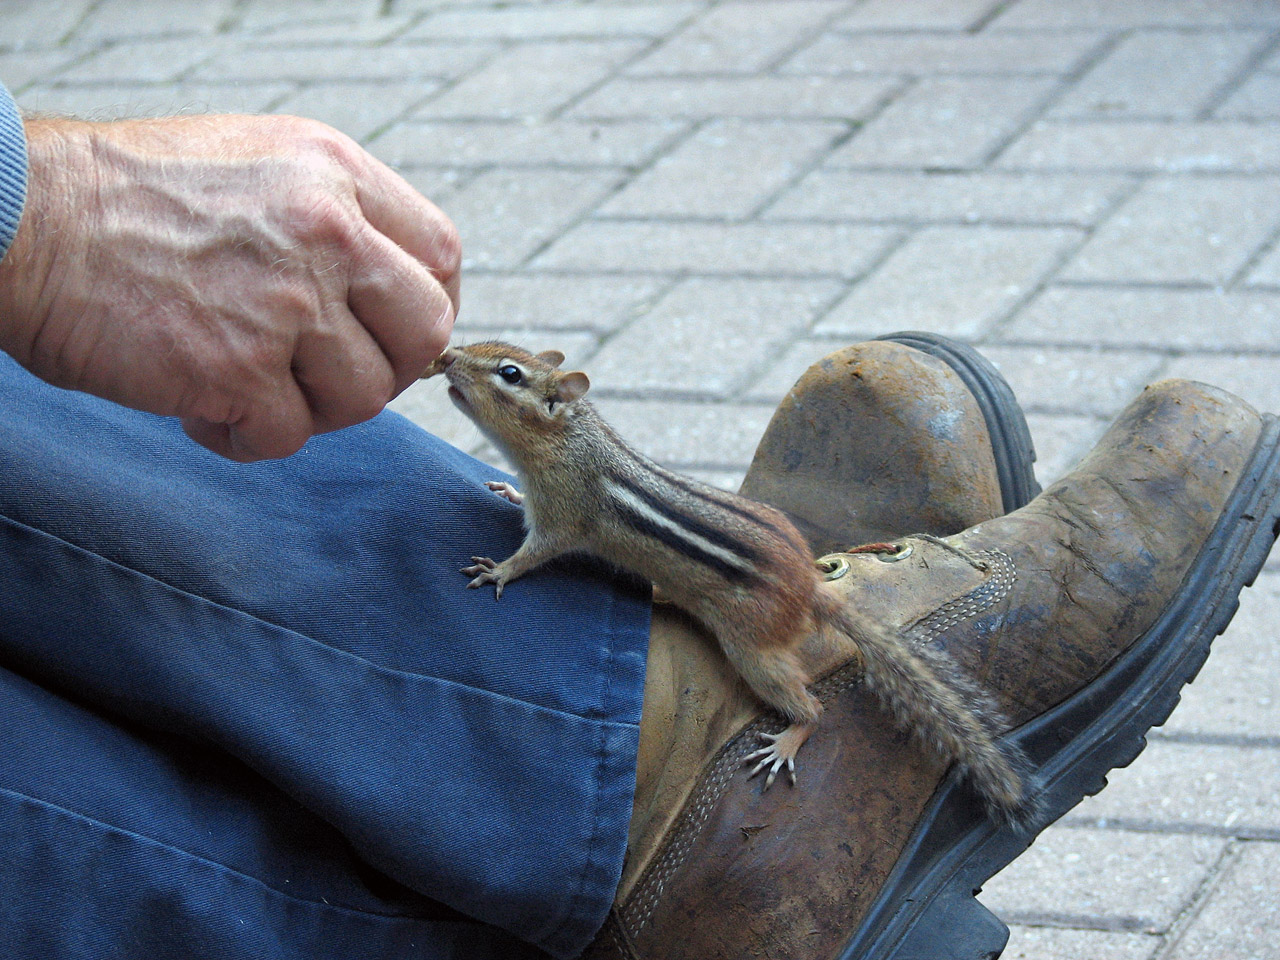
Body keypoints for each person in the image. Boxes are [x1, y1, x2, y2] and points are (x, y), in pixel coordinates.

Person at [3, 82, 1278, 960]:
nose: (472, 385)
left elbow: (571, 518)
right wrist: (34, 213)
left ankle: (625, 755)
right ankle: (650, 796)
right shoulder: (563, 476)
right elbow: (560, 525)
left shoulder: (569, 465)